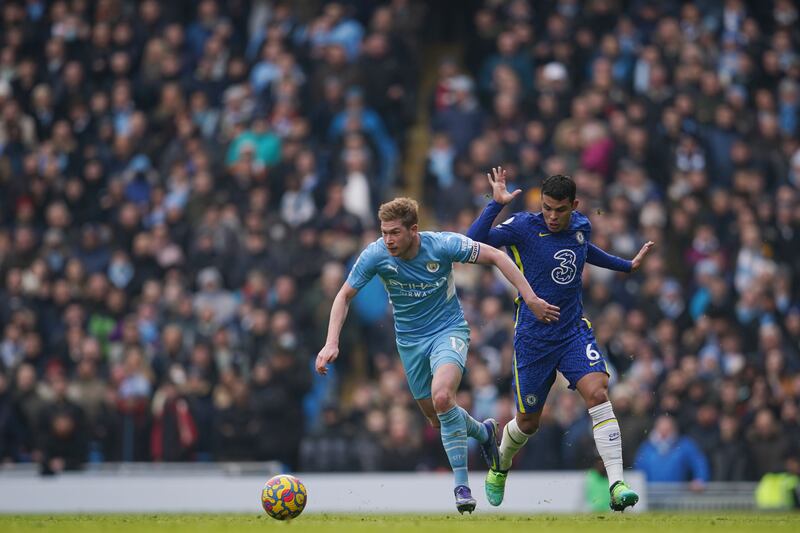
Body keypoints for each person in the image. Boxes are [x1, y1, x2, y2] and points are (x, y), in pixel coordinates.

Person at [315, 197, 559, 513]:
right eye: (384, 232)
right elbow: (344, 295)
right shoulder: (376, 254)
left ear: (413, 230)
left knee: (443, 398)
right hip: (410, 344)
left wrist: (531, 298)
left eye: (394, 232)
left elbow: (497, 256)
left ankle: (462, 487)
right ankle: (483, 432)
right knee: (436, 419)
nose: (387, 239)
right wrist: (331, 342)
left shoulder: (442, 245)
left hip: (449, 332)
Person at [467, 168, 654, 511]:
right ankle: (500, 464)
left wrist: (626, 266)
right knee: (528, 422)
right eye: (548, 208)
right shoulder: (523, 226)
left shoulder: (581, 225)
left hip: (571, 331)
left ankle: (616, 483)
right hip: (533, 339)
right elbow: (473, 240)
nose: (552, 216)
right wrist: (495, 205)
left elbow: (586, 251)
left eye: (560, 209)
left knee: (598, 392)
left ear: (574, 205)